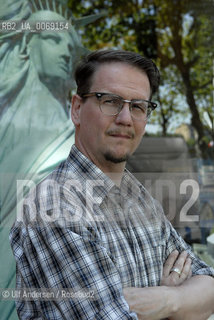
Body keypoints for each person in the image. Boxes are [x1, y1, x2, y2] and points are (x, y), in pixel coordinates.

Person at [10, 49, 214, 320]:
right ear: (77, 109)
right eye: (111, 101)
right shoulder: (53, 208)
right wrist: (184, 304)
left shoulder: (138, 195)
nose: (126, 118)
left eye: (139, 106)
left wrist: (168, 300)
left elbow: (208, 282)